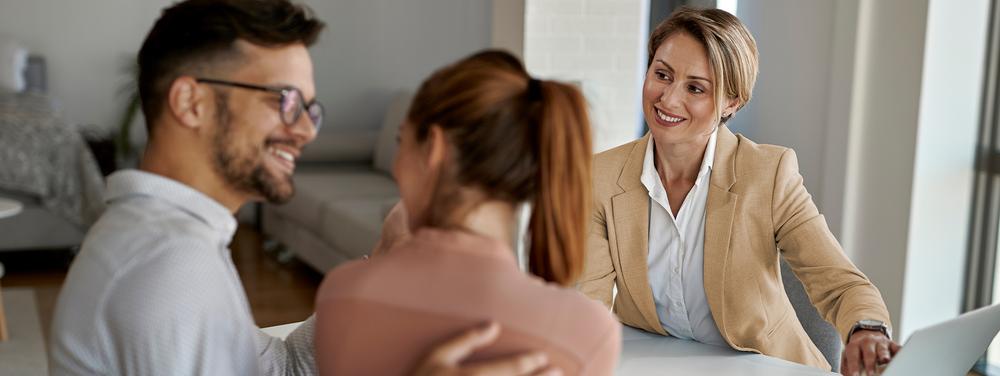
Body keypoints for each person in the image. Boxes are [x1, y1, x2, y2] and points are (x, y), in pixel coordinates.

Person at [48, 1, 555, 375]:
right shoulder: (168, 267)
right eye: (284, 100)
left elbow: (282, 367)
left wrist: (381, 264)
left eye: (309, 108)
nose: (307, 130)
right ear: (191, 102)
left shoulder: (179, 240)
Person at [577, 7, 900, 376]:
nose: (668, 99)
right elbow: (587, 311)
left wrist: (867, 331)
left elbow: (840, 283)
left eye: (695, 88)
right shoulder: (601, 177)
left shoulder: (769, 175)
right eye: (662, 74)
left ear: (731, 102)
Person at [314, 50, 621, 376]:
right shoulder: (588, 332)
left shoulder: (342, 295)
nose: (395, 163)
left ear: (434, 148)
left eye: (400, 140)